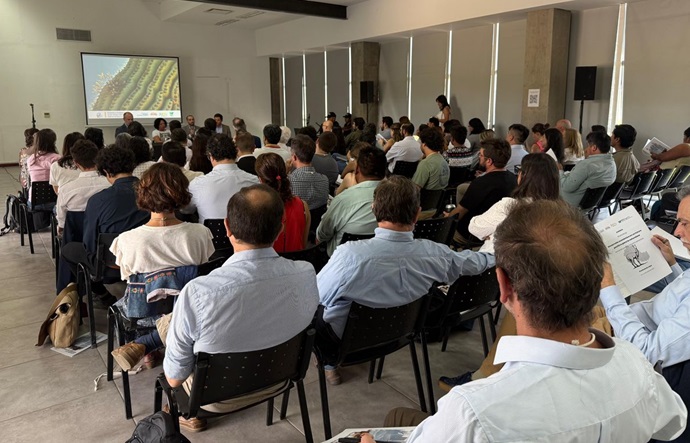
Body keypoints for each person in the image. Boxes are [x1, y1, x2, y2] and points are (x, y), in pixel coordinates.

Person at [381, 199, 687, 443]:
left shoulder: (472, 411)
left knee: (396, 417)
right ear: (598, 280)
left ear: (504, 286)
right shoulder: (637, 365)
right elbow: (672, 424)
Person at [120, 184, 317, 431]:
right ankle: (150, 341)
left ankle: (148, 345)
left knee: (185, 323)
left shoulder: (199, 292)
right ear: (281, 228)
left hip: (212, 400)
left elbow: (174, 378)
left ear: (227, 228)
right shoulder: (306, 273)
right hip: (280, 381)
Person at [315, 176, 495, 384]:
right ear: (417, 214)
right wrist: (498, 252)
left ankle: (329, 366)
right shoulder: (435, 254)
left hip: (344, 345)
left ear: (374, 209)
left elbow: (315, 297)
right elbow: (475, 263)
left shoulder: (350, 256)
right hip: (401, 335)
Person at [109, 163, 215, 370]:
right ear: (182, 193)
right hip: (191, 312)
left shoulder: (126, 240)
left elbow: (128, 278)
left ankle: (148, 346)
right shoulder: (201, 233)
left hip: (144, 316)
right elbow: (202, 270)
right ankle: (161, 342)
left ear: (143, 195)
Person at [59, 145, 149, 298]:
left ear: (106, 171)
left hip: (110, 266)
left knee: (68, 249)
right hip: (147, 258)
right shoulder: (151, 192)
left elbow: (89, 243)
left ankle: (100, 293)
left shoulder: (98, 200)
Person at [317, 146, 386, 256]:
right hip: (377, 255)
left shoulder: (344, 199)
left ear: (357, 169)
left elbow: (322, 234)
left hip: (340, 258)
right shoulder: (396, 199)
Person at [183, 134, 259, 223]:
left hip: (209, 231)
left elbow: (186, 210)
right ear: (236, 153)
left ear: (210, 156)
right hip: (244, 230)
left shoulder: (197, 184)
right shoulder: (255, 181)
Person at [255, 153, 309, 252]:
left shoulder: (256, 210)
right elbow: (303, 244)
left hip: (270, 261)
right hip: (297, 260)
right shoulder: (303, 205)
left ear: (260, 179)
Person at [55, 140, 110, 232]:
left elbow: (62, 221)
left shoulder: (66, 189)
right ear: (97, 159)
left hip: (76, 236)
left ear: (76, 163)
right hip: (104, 235)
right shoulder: (110, 185)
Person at [560, 131, 616, 206]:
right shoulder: (612, 164)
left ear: (594, 148)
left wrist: (560, 171)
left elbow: (566, 187)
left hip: (570, 203)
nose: (586, 149)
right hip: (591, 204)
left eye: (588, 146)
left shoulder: (586, 165)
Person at [288, 134, 330, 210]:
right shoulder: (325, 180)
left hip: (298, 217)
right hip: (320, 217)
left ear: (294, 157)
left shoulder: (289, 182)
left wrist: (285, 172)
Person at [27, 128, 61, 208]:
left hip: (34, 202)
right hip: (54, 201)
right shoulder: (57, 159)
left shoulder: (31, 159)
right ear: (53, 142)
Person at [411, 128, 450, 192]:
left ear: (424, 144)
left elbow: (414, 189)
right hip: (439, 197)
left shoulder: (425, 163)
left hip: (425, 197)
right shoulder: (443, 160)